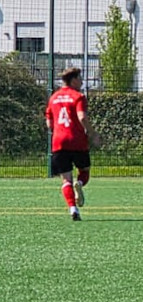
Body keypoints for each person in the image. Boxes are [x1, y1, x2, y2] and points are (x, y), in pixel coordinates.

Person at [45, 67, 100, 221]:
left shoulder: (53, 98)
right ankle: (80, 183)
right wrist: (92, 133)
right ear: (73, 80)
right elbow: (82, 117)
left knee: (65, 180)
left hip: (59, 142)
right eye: (80, 79)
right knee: (85, 171)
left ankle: (73, 209)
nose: (82, 82)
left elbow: (49, 124)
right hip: (77, 141)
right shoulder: (78, 96)